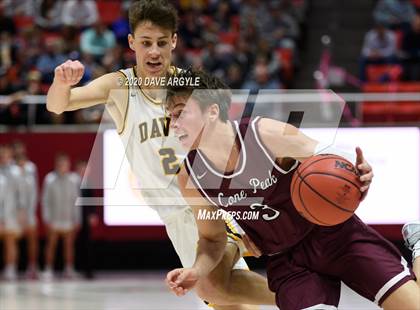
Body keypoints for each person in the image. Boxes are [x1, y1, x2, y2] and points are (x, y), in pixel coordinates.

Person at [46, 0, 275, 308]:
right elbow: (57, 105)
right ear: (132, 43)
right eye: (145, 43)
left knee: (213, 289)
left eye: (161, 43)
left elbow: (226, 143)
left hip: (206, 202)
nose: (154, 51)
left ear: (174, 42)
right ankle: (297, 293)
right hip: (175, 216)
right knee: (221, 298)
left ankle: (298, 295)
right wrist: (62, 83)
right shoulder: (119, 86)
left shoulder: (189, 85)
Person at [165, 69, 420, 310]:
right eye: (168, 116)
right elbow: (212, 239)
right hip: (289, 261)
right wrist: (195, 271)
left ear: (211, 111)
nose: (172, 124)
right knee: (211, 285)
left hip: (337, 236)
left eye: (179, 113)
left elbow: (332, 159)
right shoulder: (190, 178)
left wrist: (359, 172)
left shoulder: (264, 134)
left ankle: (418, 242)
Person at [41, 153, 80, 279]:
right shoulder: (50, 179)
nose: (63, 167)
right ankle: (48, 269)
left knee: (69, 246)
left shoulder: (74, 179)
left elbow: (77, 200)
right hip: (54, 219)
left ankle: (69, 269)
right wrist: (47, 218)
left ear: (68, 165)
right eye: (60, 164)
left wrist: (77, 218)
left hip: (68, 218)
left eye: (65, 164)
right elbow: (45, 200)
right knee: (51, 245)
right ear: (56, 165)